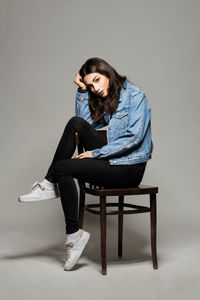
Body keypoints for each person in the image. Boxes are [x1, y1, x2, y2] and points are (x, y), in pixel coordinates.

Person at [18, 57, 153, 271]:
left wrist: (97, 153)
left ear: (108, 73)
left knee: (63, 168)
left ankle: (73, 234)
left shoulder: (135, 95)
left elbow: (133, 138)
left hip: (129, 169)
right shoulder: (111, 99)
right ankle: (48, 184)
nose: (95, 88)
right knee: (75, 123)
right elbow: (83, 126)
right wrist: (82, 91)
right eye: (91, 85)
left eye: (97, 80)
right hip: (113, 161)